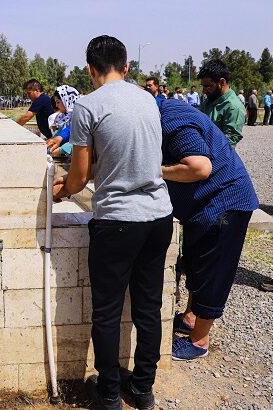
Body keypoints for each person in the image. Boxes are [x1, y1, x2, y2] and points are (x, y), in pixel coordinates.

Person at [53, 36, 172, 410]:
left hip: (118, 220)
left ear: (90, 69)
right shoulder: (148, 98)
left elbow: (80, 175)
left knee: (106, 310)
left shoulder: (87, 106)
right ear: (126, 66)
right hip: (158, 215)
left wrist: (61, 191)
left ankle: (107, 394)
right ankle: (143, 389)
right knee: (148, 307)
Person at [157, 98, 258, 361]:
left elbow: (199, 168)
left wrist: (153, 170)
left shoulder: (171, 120)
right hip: (204, 207)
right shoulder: (165, 114)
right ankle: (191, 319)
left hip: (225, 202)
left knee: (212, 269)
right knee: (197, 263)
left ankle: (199, 340)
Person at [198, 59, 246, 147]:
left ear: (222, 82)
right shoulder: (208, 100)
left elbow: (228, 144)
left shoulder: (234, 107)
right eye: (203, 86)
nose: (204, 91)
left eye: (207, 86)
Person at [45, 85, 81, 157]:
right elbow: (60, 134)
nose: (56, 105)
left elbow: (78, 142)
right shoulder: (65, 118)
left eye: (58, 102)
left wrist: (57, 150)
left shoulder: (81, 116)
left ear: (67, 101)